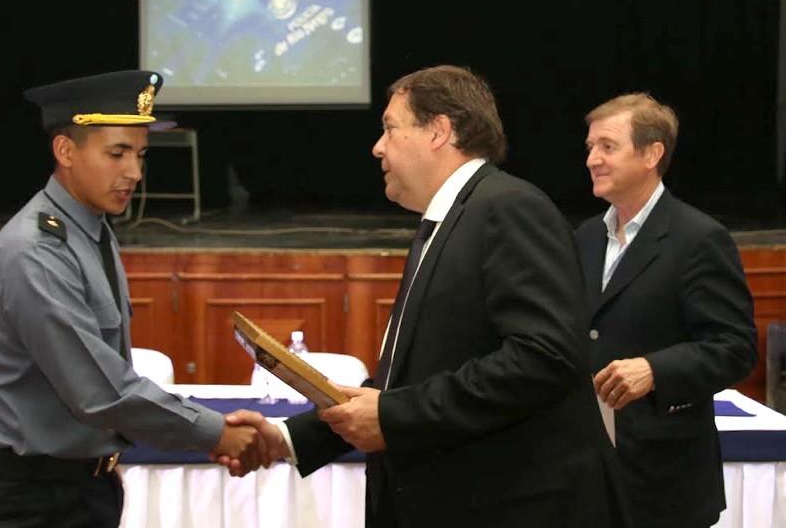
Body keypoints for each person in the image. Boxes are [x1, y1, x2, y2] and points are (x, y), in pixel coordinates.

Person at [223, 65, 630, 527]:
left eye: (390, 128)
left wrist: (392, 415)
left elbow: (545, 357)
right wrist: (287, 438)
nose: (378, 147)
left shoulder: (507, 207)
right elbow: (407, 383)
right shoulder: (450, 219)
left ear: (438, 131)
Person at [0, 70, 264, 528]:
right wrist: (216, 432)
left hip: (85, 488)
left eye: (140, 155)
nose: (134, 173)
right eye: (117, 153)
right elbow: (100, 391)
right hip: (33, 502)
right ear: (65, 151)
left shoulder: (89, 230)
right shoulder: (37, 249)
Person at [576, 93, 758, 528]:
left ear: (651, 154)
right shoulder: (585, 236)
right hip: (587, 477)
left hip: (663, 483)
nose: (592, 159)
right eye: (590, 147)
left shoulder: (698, 238)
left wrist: (654, 370)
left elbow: (735, 347)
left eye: (607, 146)